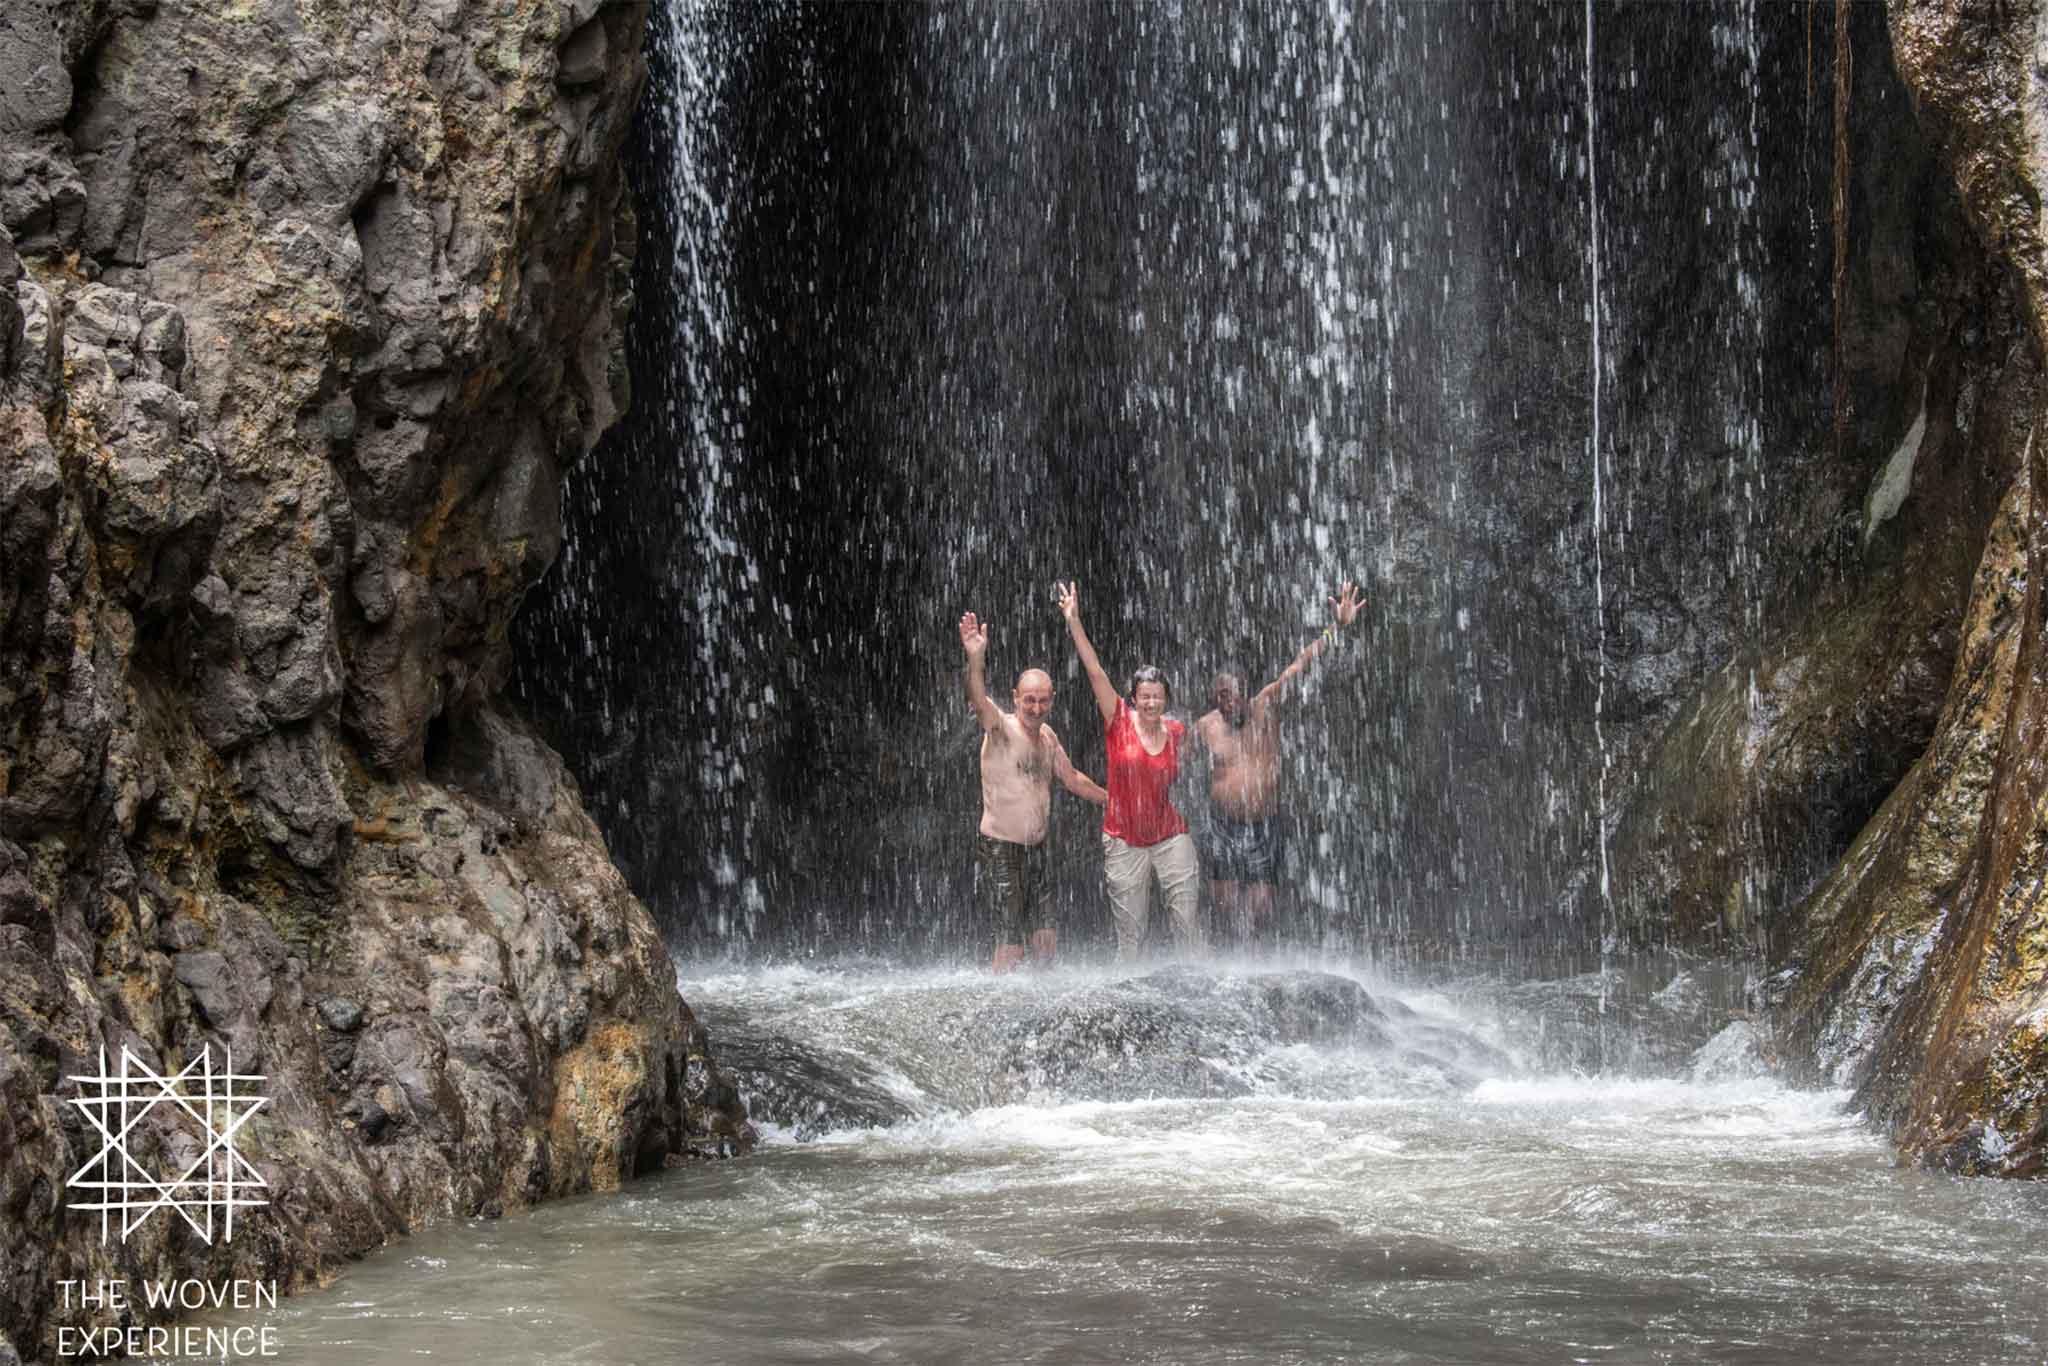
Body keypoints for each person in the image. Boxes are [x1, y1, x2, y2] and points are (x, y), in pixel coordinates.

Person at [1195, 582, 1364, 945]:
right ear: (1215, 697)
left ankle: (1256, 959)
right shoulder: (1205, 726)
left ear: (1247, 689)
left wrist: (1338, 628)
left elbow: (1302, 663)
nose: (1230, 700)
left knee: (1261, 906)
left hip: (1264, 824)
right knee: (1222, 904)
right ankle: (1225, 961)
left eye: (1236, 691)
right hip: (1222, 824)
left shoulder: (1266, 706)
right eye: (1222, 695)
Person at [1056, 582, 1204, 961]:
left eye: (1158, 696)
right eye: (1145, 696)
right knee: (1130, 934)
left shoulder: (1177, 732)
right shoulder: (1118, 719)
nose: (1151, 702)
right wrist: (1074, 621)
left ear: (1165, 699)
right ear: (1134, 698)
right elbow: (1093, 670)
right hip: (1123, 839)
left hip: (1170, 835)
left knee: (1186, 919)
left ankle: (1197, 984)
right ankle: (1127, 997)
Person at [960, 610, 1108, 973]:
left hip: (1037, 849)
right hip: (1001, 849)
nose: (1036, 708)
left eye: (1043, 700)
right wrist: (975, 658)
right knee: (1010, 941)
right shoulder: (1000, 729)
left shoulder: (1048, 737)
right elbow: (978, 700)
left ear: (1052, 699)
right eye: (1029, 700)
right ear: (1015, 697)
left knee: (1045, 939)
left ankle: (1038, 1008)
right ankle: (997, 1008)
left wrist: (1112, 800)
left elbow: (1072, 778)